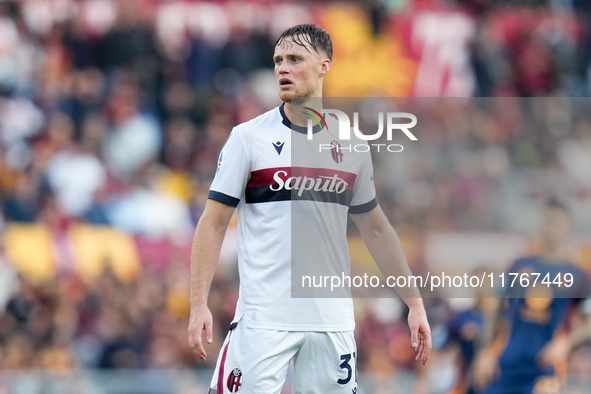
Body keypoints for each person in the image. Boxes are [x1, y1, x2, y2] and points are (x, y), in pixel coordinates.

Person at [187, 23, 431, 393]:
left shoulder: (351, 144)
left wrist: (414, 303)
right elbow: (213, 224)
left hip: (331, 322)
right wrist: (198, 304)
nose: (283, 69)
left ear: (324, 66)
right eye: (278, 61)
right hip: (264, 319)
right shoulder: (248, 138)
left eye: (295, 59)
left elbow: (377, 229)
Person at [473, 200, 591, 393]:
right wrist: (485, 352)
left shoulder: (577, 276)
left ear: (567, 228)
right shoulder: (518, 266)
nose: (550, 227)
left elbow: (587, 324)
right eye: (547, 222)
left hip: (543, 367)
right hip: (506, 365)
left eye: (556, 223)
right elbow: (495, 309)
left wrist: (565, 344)